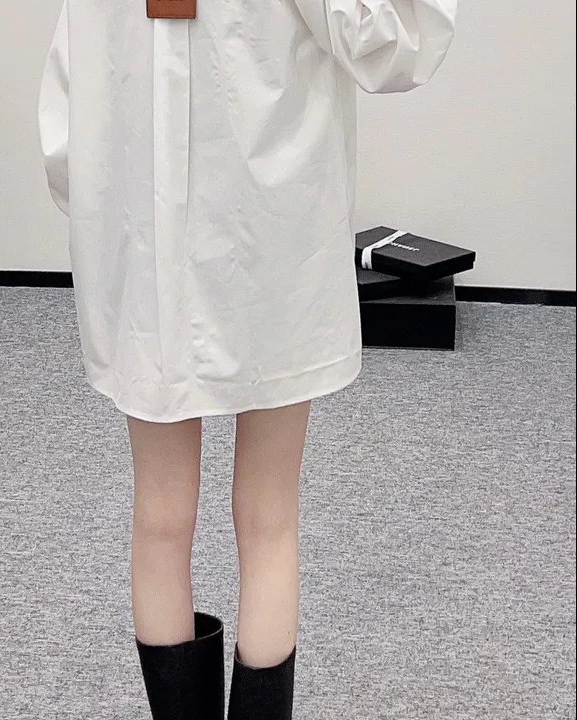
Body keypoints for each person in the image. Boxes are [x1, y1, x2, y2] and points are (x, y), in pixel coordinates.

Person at [38, 1, 457, 717]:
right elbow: (392, 44)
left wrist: (102, 211)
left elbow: (67, 109)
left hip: (146, 241)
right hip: (274, 240)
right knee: (269, 517)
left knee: (159, 513)